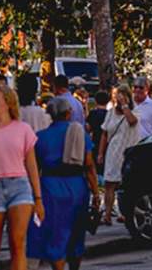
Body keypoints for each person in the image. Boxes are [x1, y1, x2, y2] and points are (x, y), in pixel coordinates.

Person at [27, 96, 100, 270]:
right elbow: (89, 166)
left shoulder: (40, 137)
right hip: (76, 186)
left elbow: (34, 169)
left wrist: (35, 197)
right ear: (68, 113)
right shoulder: (79, 133)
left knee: (56, 233)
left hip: (50, 187)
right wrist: (96, 193)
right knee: (77, 231)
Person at [0, 85, 43, 270]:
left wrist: (38, 198)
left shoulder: (23, 129)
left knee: (18, 244)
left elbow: (32, 165)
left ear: (8, 104)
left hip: (19, 186)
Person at [97, 83, 140, 225]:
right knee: (110, 183)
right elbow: (104, 133)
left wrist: (124, 105)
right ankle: (107, 214)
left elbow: (132, 121)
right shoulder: (110, 113)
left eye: (121, 96)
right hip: (113, 151)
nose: (117, 99)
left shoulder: (135, 111)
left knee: (127, 184)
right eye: (116, 96)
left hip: (128, 151)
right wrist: (101, 153)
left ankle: (125, 213)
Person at [86, 92, 109, 173]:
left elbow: (88, 128)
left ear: (95, 101)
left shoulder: (92, 113)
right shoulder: (109, 114)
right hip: (106, 142)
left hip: (94, 140)